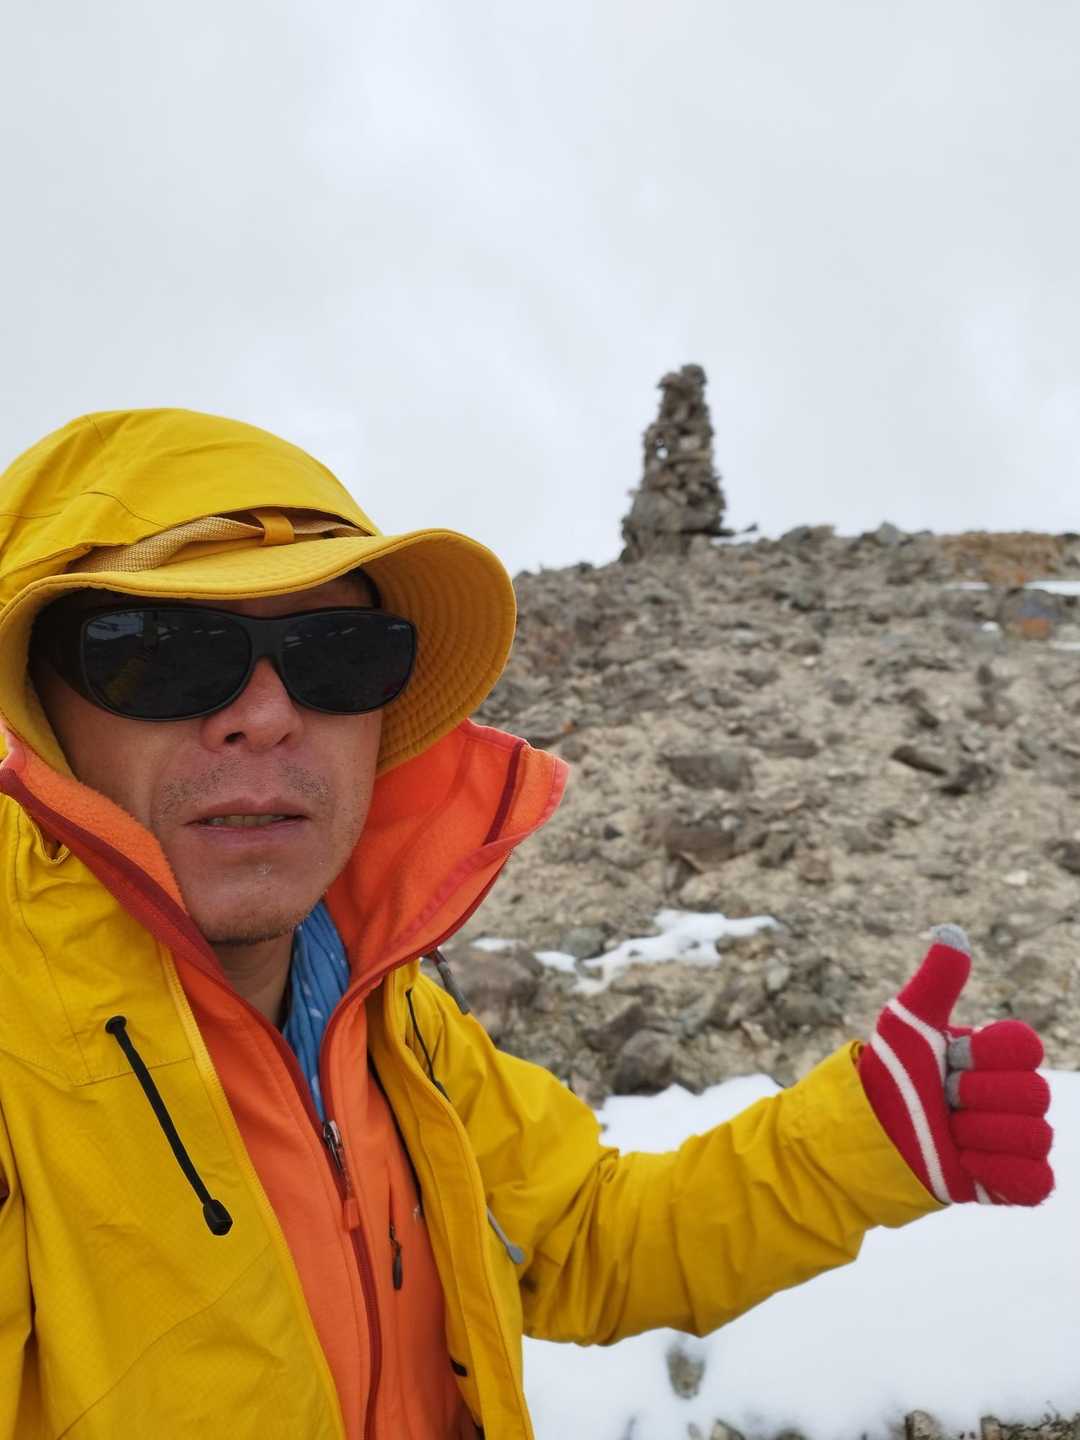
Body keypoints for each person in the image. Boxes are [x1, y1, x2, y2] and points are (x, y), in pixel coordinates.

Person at [0, 408, 1053, 1440]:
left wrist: (864, 1136)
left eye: (339, 655)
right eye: (160, 653)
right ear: (33, 711)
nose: (266, 715)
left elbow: (584, 1234)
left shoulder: (386, 1020)